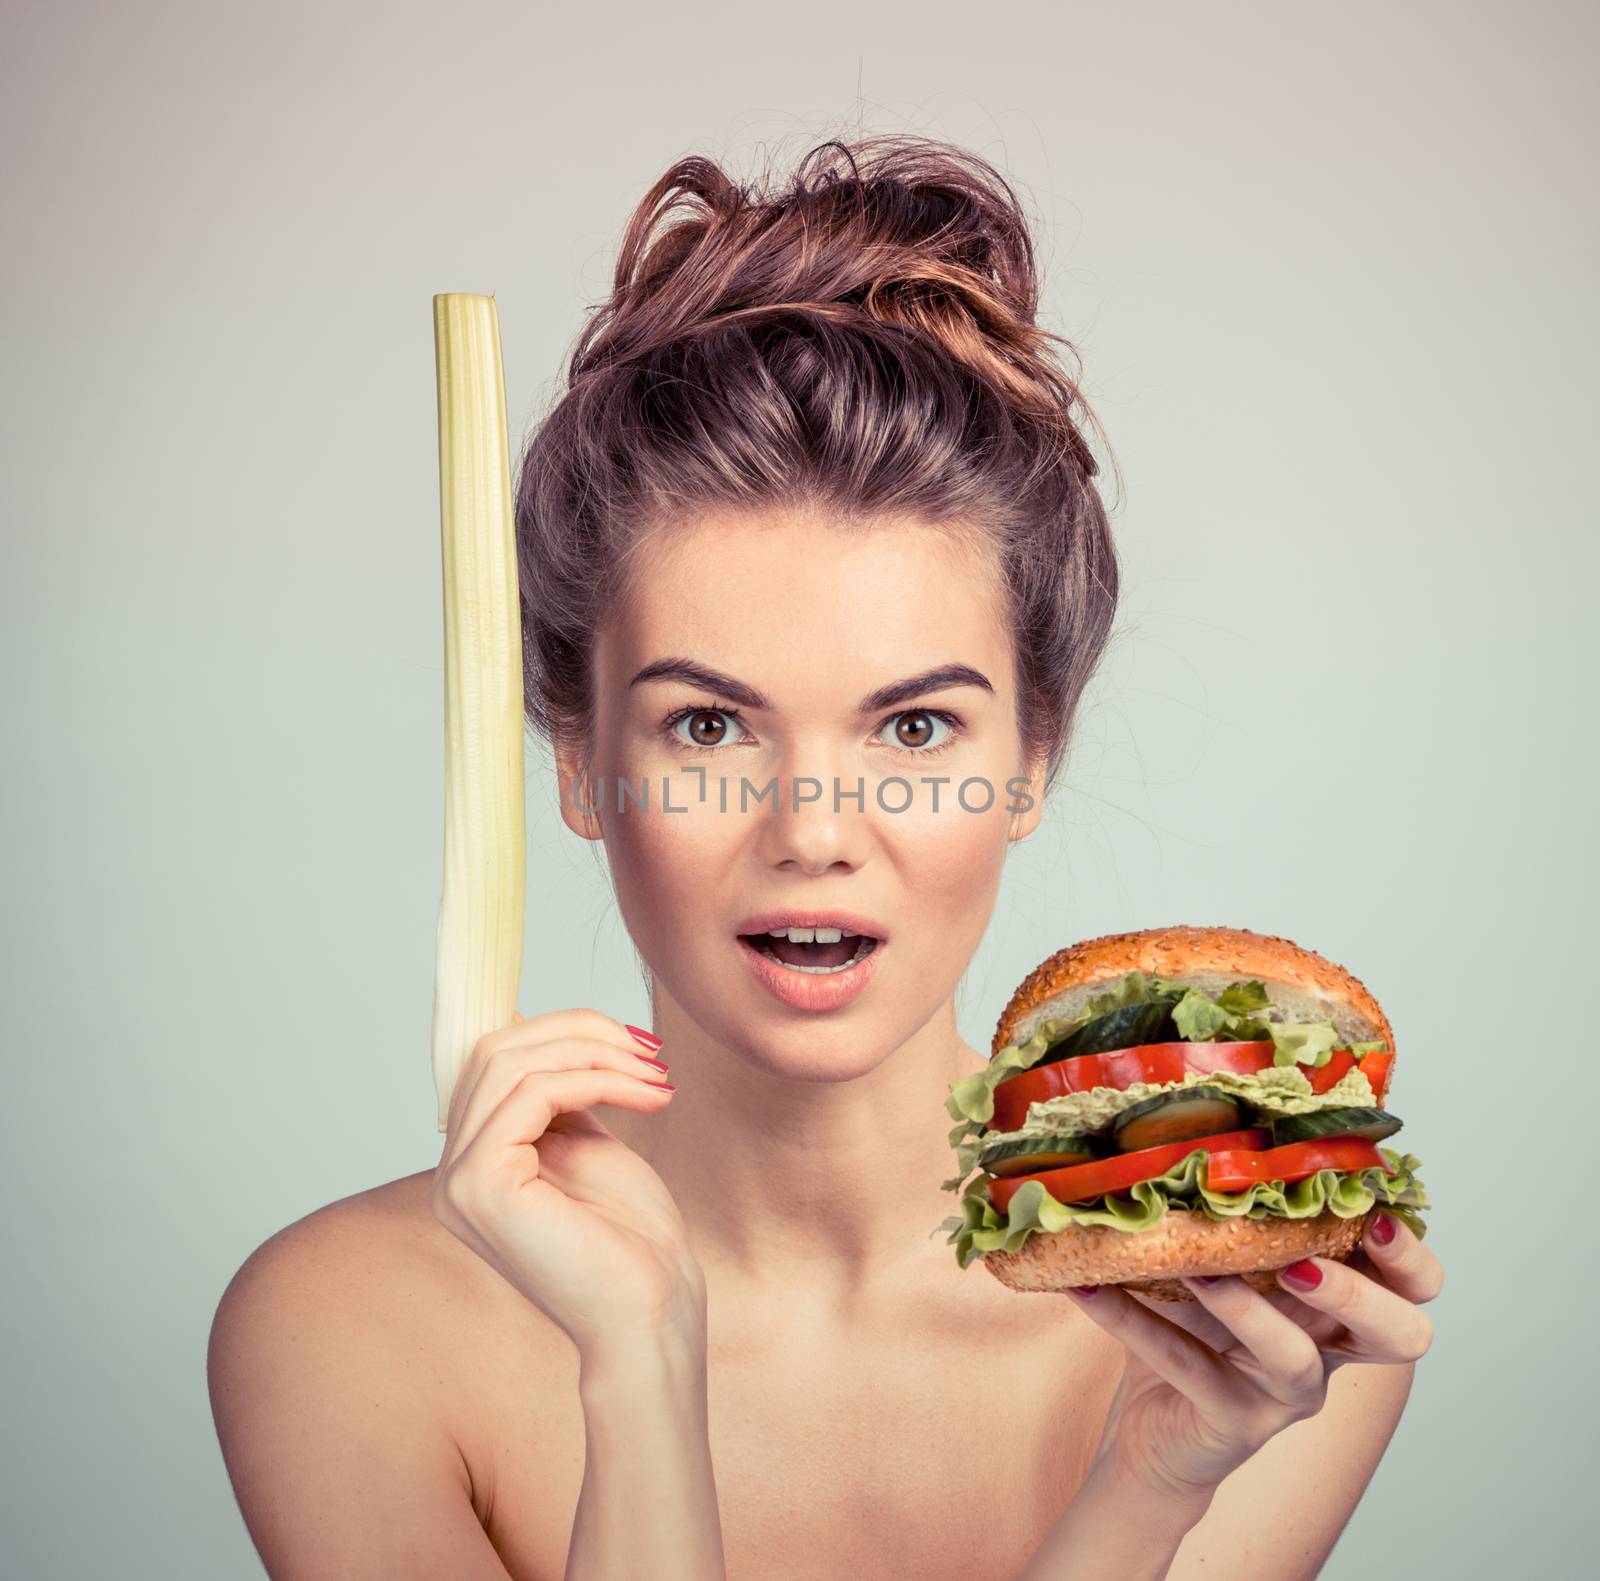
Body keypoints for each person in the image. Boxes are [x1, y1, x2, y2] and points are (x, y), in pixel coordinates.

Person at [206, 134, 1442, 1581]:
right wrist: (641, 1369)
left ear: (1032, 758)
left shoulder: (1269, 1338)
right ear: (576, 764)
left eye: (916, 726)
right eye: (710, 722)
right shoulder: (344, 1330)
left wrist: (1152, 1489)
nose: (813, 829)